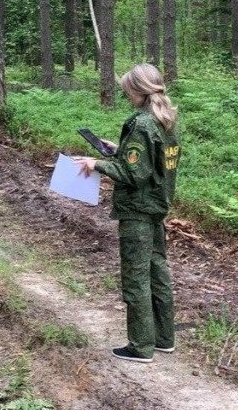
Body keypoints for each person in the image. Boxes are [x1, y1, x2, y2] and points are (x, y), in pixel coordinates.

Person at [73, 63, 181, 363]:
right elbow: (148, 162)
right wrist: (119, 149)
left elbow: (134, 174)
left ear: (137, 90)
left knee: (136, 277)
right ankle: (163, 338)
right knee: (158, 271)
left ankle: (141, 346)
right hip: (158, 206)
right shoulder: (166, 119)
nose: (125, 96)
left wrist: (98, 164)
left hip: (138, 210)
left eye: (126, 91)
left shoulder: (143, 124)